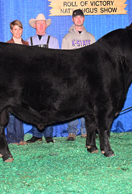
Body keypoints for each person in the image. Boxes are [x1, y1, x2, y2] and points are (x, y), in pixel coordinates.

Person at [62, 9, 96, 141]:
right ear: (72, 19)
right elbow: (63, 59)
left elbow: (94, 58)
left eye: (81, 17)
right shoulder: (67, 38)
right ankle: (71, 131)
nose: (78, 19)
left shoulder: (91, 37)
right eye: (76, 17)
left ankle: (85, 129)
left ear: (84, 19)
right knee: (72, 103)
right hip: (72, 76)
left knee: (87, 103)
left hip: (87, 76)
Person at [26, 13, 59, 144]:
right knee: (34, 106)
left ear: (46, 25)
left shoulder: (54, 40)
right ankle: (36, 134)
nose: (41, 25)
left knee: (49, 106)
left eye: (43, 23)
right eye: (38, 23)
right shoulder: (28, 41)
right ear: (35, 26)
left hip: (49, 79)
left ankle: (49, 135)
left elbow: (57, 61)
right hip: (34, 79)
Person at [6, 20, 29, 146]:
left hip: (23, 83)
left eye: (20, 29)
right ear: (11, 31)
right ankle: (11, 137)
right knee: (10, 110)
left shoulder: (26, 45)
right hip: (11, 82)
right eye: (15, 29)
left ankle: (20, 138)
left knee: (20, 110)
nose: (18, 31)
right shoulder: (7, 46)